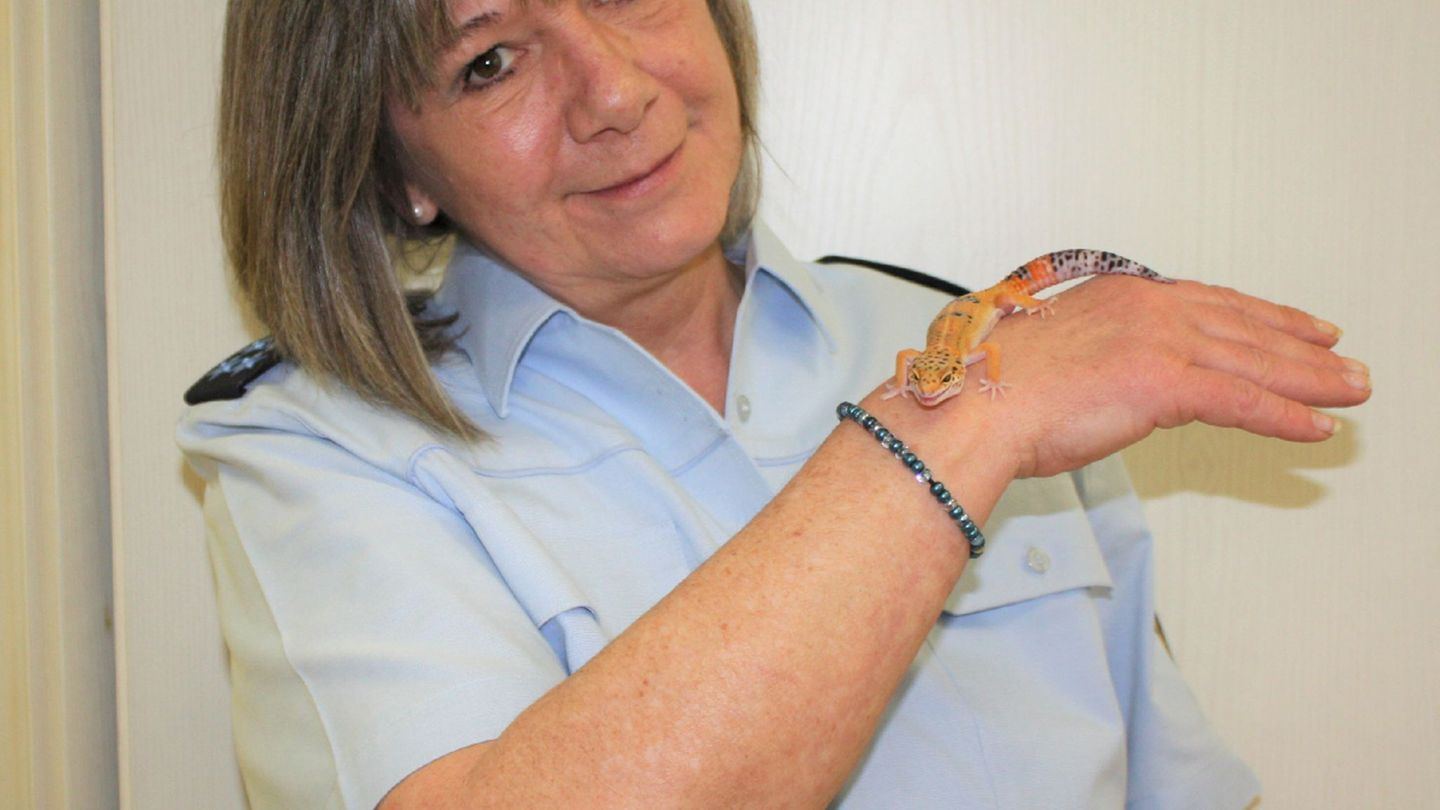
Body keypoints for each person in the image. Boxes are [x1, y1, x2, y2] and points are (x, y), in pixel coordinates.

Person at [177, 1, 1371, 807]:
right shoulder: (315, 452)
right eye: (489, 60)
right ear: (397, 170)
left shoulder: (977, 340)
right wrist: (964, 424)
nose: (615, 92)